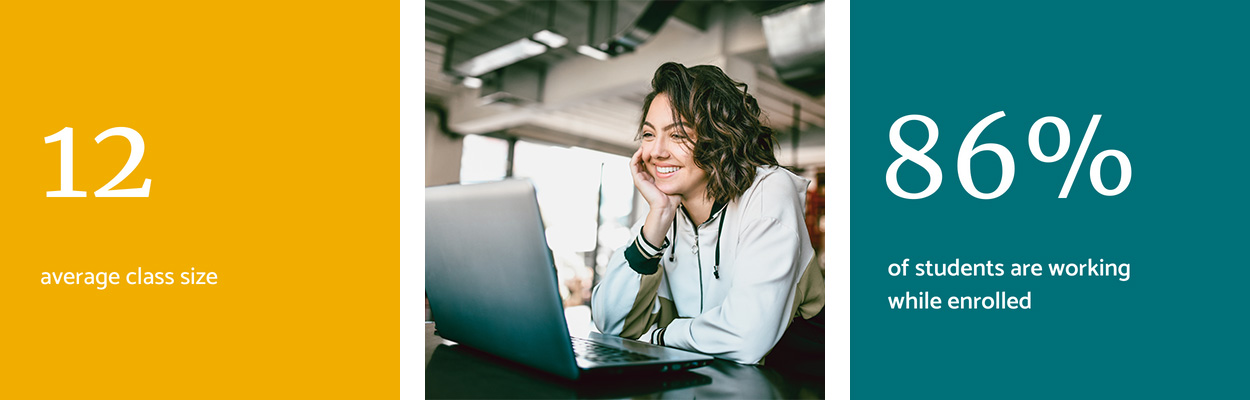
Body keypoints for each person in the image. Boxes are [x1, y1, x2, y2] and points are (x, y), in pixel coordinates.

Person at [591, 62, 824, 367]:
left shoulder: (768, 193)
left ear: (719, 138)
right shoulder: (666, 214)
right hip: (704, 379)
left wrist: (657, 336)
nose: (656, 151)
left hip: (792, 383)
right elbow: (611, 325)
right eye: (649, 134)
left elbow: (746, 339)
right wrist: (658, 217)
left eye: (677, 135)